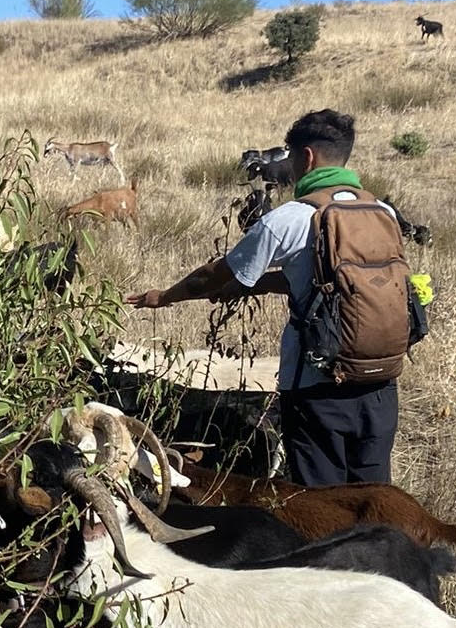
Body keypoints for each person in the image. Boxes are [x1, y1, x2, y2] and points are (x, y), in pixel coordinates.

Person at [125, 109, 399, 486]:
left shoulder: (291, 218)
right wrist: (256, 284)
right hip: (381, 385)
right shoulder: (382, 212)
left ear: (306, 158)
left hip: (319, 387)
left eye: (289, 157)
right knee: (373, 500)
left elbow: (213, 275)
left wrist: (163, 297)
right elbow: (320, 282)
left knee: (320, 505)